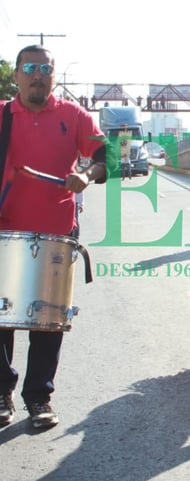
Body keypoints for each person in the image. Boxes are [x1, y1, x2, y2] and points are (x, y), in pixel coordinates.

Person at [0, 45, 107, 429]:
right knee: (1, 320)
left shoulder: (72, 115)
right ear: (16, 75)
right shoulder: (2, 115)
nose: (39, 74)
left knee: (48, 321)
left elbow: (102, 155)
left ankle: (39, 398)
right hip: (4, 230)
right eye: (30, 67)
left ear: (53, 76)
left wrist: (87, 175)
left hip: (55, 232)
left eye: (46, 68)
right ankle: (1, 392)